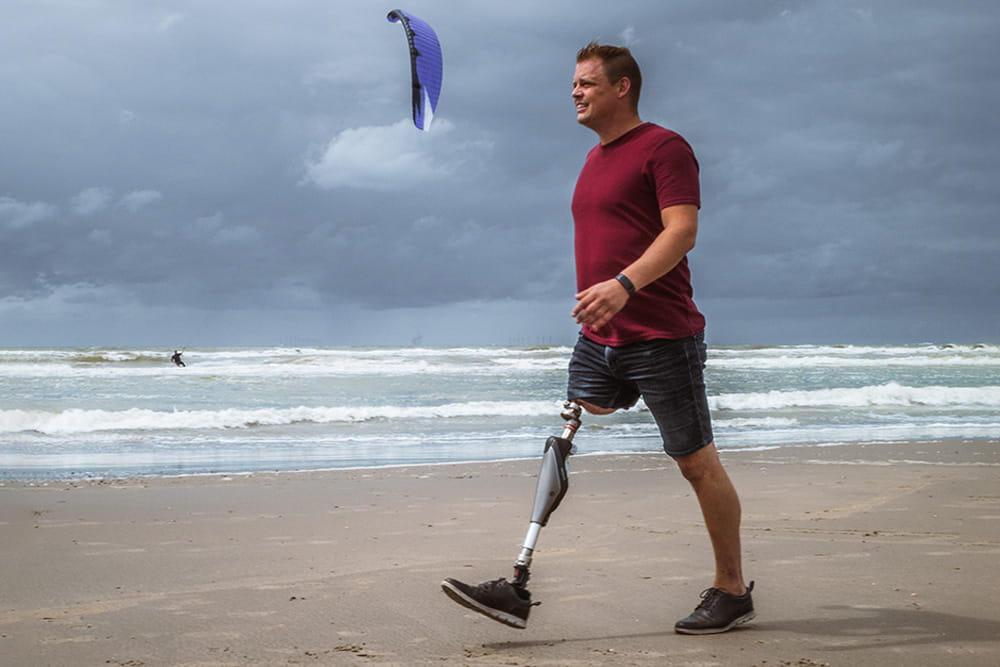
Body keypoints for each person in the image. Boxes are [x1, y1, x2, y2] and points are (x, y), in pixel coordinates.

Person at [441, 42, 753, 635]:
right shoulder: (593, 160)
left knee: (694, 463)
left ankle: (731, 589)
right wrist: (604, 302)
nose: (576, 93)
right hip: (601, 333)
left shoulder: (664, 147)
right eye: (573, 86)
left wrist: (624, 285)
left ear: (622, 87)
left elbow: (682, 231)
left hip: (661, 333)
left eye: (586, 84)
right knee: (570, 425)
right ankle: (516, 581)